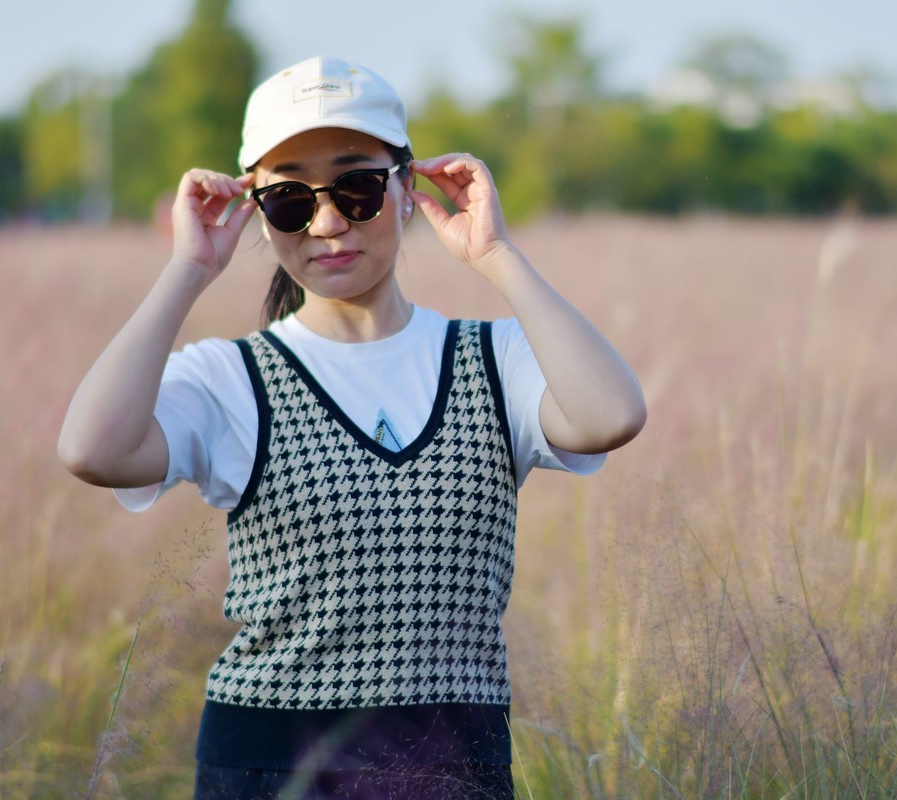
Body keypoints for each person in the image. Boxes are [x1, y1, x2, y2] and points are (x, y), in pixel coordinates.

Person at [58, 56, 646, 800]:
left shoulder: (496, 359)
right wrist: (187, 270)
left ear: (407, 188)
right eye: (289, 201)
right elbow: (92, 449)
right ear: (257, 213)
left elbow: (612, 415)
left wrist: (497, 256)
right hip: (271, 765)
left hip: (454, 765)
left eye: (357, 186)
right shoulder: (232, 378)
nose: (328, 222)